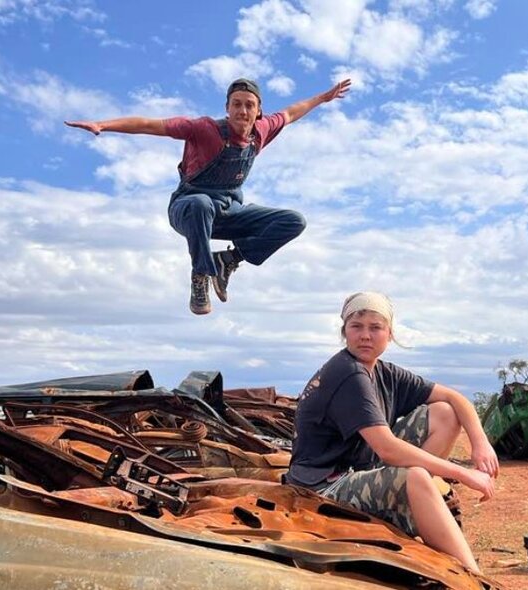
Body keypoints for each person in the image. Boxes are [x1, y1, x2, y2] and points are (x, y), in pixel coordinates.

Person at [65, 78, 351, 315]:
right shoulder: (204, 129)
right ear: (227, 108)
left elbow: (291, 112)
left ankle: (229, 260)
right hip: (187, 210)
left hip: (228, 214)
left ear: (258, 111)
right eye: (236, 104)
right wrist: (103, 124)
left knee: (293, 221)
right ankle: (201, 275)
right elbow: (150, 125)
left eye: (249, 105)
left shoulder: (261, 132)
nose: (242, 111)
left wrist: (322, 99)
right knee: (201, 203)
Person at [286, 291, 499, 574]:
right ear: (344, 332)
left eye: (375, 328)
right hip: (322, 485)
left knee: (445, 414)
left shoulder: (385, 373)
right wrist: (463, 473)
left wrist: (480, 443)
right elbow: (387, 448)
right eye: (356, 327)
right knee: (415, 476)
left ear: (389, 333)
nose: (365, 336)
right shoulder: (348, 373)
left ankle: (413, 504)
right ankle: (473, 577)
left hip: (360, 467)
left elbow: (455, 398)